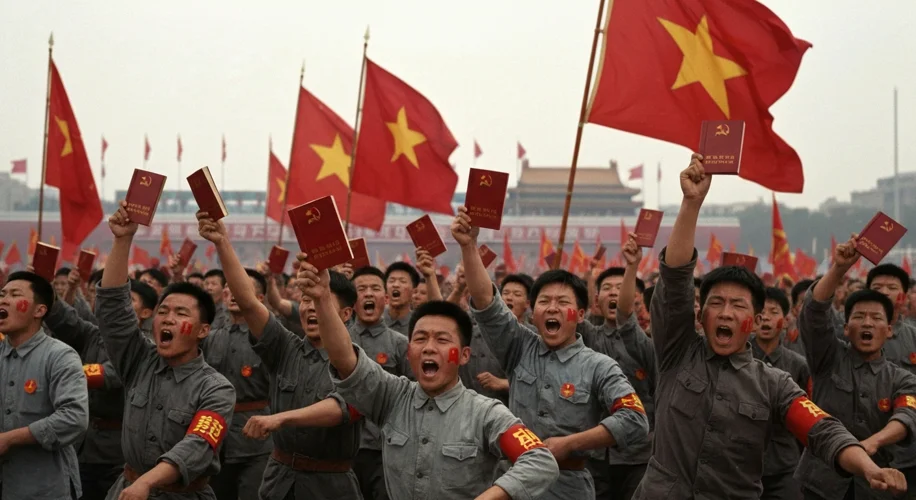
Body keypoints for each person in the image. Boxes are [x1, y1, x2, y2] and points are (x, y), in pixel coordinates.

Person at [633, 154, 906, 499]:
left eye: (738, 306)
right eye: (716, 303)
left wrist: (868, 467)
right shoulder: (677, 353)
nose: (726, 313)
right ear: (700, 316)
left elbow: (822, 429)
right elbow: (674, 282)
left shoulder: (774, 383)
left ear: (757, 320)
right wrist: (690, 203)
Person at [296, 255, 560, 499]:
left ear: (464, 355)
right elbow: (345, 360)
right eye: (420, 339)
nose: (429, 347)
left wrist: (491, 495)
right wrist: (321, 299)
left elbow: (539, 461)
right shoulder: (390, 397)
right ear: (409, 351)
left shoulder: (486, 414)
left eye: (443, 340)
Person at [454, 207, 650, 499]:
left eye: (562, 301)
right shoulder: (519, 347)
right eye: (544, 301)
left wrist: (570, 443)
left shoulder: (599, 366)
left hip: (569, 485)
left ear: (581, 314)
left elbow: (635, 419)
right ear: (533, 313)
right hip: (512, 481)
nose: (553, 308)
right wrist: (468, 245)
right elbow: (486, 304)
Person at [200, 211, 364, 500]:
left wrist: (280, 419)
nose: (310, 309)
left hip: (330, 486)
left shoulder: (357, 364)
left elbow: (339, 409)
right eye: (305, 301)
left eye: (320, 302)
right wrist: (222, 242)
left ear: (346, 313)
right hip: (279, 482)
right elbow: (250, 303)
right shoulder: (285, 347)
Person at [99, 201, 235, 499]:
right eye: (164, 310)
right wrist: (122, 239)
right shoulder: (139, 360)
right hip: (126, 490)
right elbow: (112, 311)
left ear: (203, 330)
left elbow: (197, 444)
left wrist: (148, 482)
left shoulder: (217, 389)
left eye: (181, 313)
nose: (168, 318)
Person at [795, 244, 916, 499]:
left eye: (876, 317)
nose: (868, 323)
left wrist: (873, 442)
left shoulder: (901, 379)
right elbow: (814, 312)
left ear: (889, 329)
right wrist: (839, 267)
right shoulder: (828, 357)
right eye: (859, 317)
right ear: (846, 328)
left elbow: (907, 416)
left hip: (877, 485)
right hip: (822, 483)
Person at [43, 277, 158, 499]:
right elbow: (64, 319)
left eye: (127, 300)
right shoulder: (95, 334)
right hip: (84, 442)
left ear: (145, 313)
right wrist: (42, 287)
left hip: (118, 449)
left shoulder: (146, 347)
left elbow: (112, 375)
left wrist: (65, 372)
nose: (113, 305)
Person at [0, 271, 89, 499]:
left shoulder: (60, 356)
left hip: (45, 488)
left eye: (15, 294)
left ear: (39, 310)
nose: (4, 300)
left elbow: (74, 418)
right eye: (2, 294)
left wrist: (10, 439)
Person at [583, 235, 658, 500]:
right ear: (597, 300)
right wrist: (588, 280)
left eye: (620, 287)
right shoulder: (587, 337)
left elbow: (625, 316)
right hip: (594, 450)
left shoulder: (645, 344)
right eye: (607, 288)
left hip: (638, 453)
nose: (614, 292)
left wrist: (632, 266)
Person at [200, 269, 273, 500]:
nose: (233, 294)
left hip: (257, 442)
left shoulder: (269, 339)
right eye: (229, 289)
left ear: (259, 299)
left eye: (241, 290)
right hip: (216, 438)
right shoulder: (211, 337)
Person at [349, 265, 413, 500]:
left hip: (385, 449)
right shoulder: (340, 341)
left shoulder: (400, 344)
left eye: (375, 289)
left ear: (385, 298)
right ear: (351, 300)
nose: (367, 294)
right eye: (361, 289)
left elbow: (415, 396)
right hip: (344, 447)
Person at [751, 287, 810, 499]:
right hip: (742, 463)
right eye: (761, 312)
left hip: (785, 464)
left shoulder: (798, 364)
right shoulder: (737, 357)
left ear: (785, 321)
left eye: (773, 312)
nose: (766, 318)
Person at [383, 262, 419, 336]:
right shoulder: (375, 319)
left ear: (414, 291)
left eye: (403, 281)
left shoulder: (418, 323)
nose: (395, 285)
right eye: (391, 281)